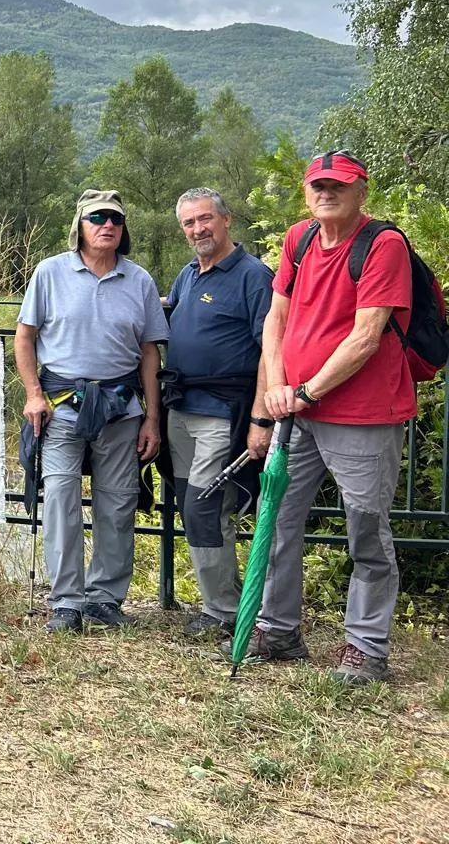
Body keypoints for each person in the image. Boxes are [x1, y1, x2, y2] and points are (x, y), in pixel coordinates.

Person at [250, 150, 414, 685]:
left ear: (361, 190)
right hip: (297, 410)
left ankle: (365, 647)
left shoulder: (383, 245)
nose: (327, 193)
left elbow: (367, 336)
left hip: (363, 415)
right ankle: (278, 630)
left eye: (339, 185)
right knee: (277, 517)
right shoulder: (298, 240)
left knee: (365, 529)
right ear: (306, 192)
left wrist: (305, 391)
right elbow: (275, 319)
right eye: (318, 185)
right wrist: (277, 388)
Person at [16, 189, 168, 634]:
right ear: (79, 226)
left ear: (124, 230)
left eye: (116, 220)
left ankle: (104, 598)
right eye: (98, 218)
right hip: (61, 407)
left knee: (118, 504)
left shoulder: (139, 280)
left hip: (122, 410)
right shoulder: (49, 273)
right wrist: (32, 394)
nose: (108, 226)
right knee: (61, 499)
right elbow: (24, 337)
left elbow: (148, 353)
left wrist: (152, 419)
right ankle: (66, 601)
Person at [163, 188, 273, 640]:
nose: (197, 229)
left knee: (205, 507)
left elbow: (272, 351)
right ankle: (220, 603)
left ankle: (225, 611)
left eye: (205, 219)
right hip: (181, 409)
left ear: (226, 220)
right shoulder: (187, 275)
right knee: (195, 508)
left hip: (224, 412)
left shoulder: (253, 276)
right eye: (189, 223)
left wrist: (260, 419)